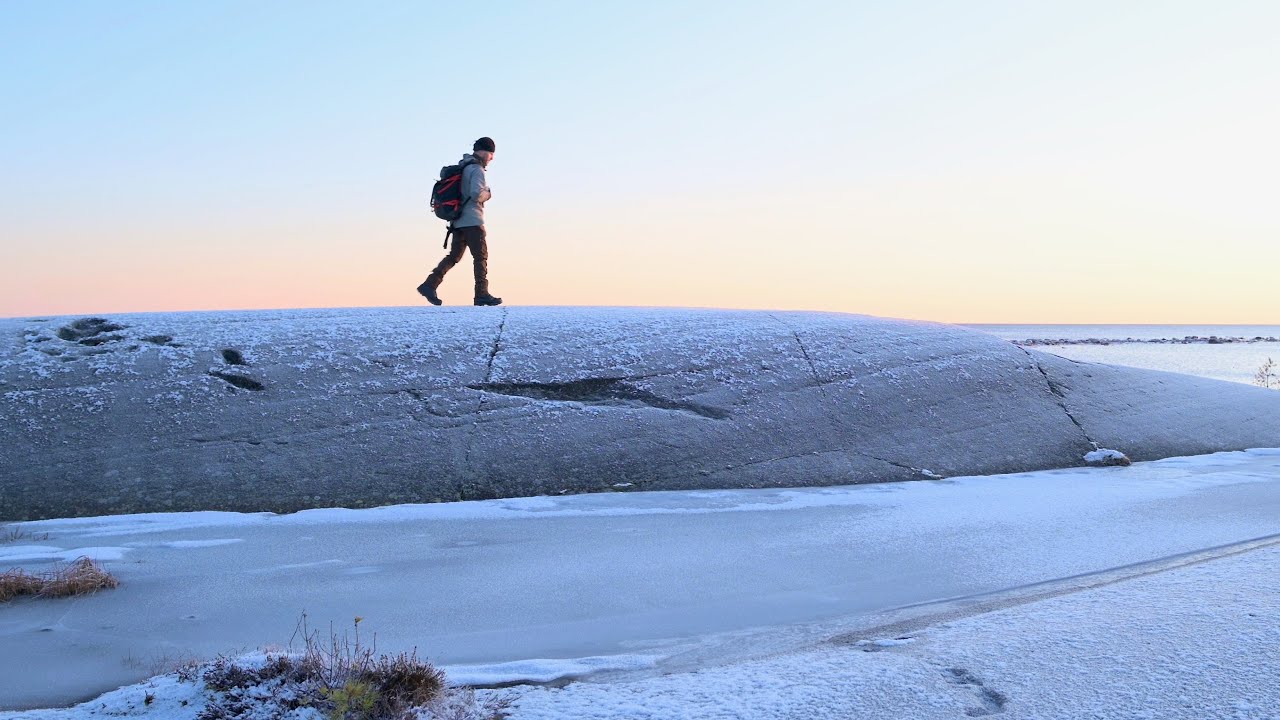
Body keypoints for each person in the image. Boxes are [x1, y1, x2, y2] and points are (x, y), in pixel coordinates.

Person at [418, 137, 502, 306]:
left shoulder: (463, 167)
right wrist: (489, 193)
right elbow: (476, 194)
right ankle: (481, 294)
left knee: (454, 256)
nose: (492, 158)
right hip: (472, 220)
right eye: (491, 154)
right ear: (484, 152)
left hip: (458, 221)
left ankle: (430, 284)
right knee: (480, 257)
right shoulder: (476, 169)